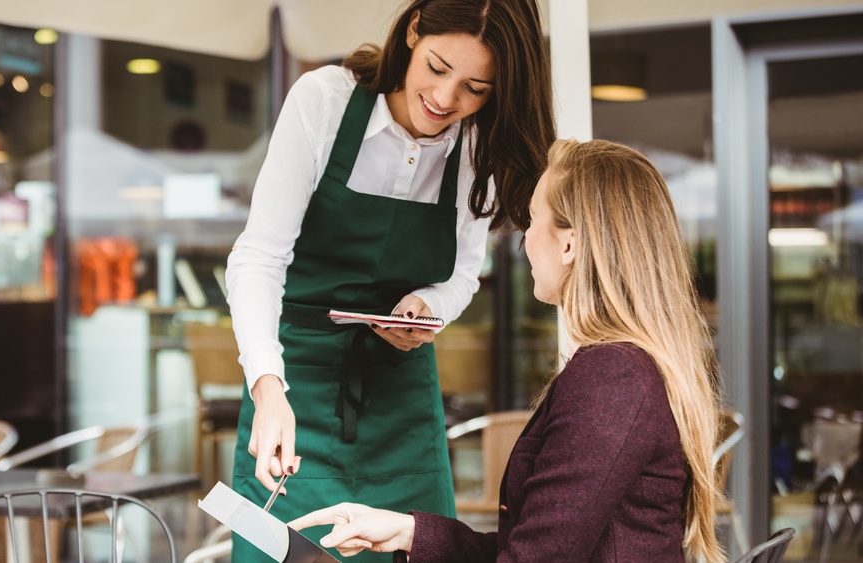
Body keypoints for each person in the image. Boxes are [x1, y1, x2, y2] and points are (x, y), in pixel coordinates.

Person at [289, 139, 726, 563]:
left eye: (533, 220)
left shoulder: (612, 377)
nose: (525, 239)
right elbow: (534, 544)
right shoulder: (625, 369)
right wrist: (408, 532)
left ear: (569, 244)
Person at [224, 0, 554, 560]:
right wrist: (267, 389)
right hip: (291, 389)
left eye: (476, 88)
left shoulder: (478, 145)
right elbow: (258, 257)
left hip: (402, 401)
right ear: (415, 29)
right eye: (437, 67)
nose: (446, 100)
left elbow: (463, 276)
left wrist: (427, 306)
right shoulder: (324, 101)